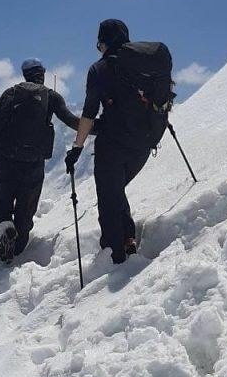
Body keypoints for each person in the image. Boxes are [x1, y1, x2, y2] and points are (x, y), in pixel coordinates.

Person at [65, 19, 171, 264]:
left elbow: (89, 113)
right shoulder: (143, 66)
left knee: (108, 196)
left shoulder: (98, 70)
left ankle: (116, 255)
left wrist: (77, 148)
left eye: (98, 44)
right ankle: (128, 238)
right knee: (116, 191)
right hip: (144, 144)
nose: (98, 49)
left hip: (113, 145)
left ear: (104, 43)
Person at [0, 59, 80, 262]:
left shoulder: (10, 95)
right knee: (26, 210)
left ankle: (5, 228)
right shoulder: (51, 97)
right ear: (43, 73)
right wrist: (100, 128)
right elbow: (72, 121)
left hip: (6, 162)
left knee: (2, 205)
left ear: (24, 75)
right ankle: (16, 251)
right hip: (34, 164)